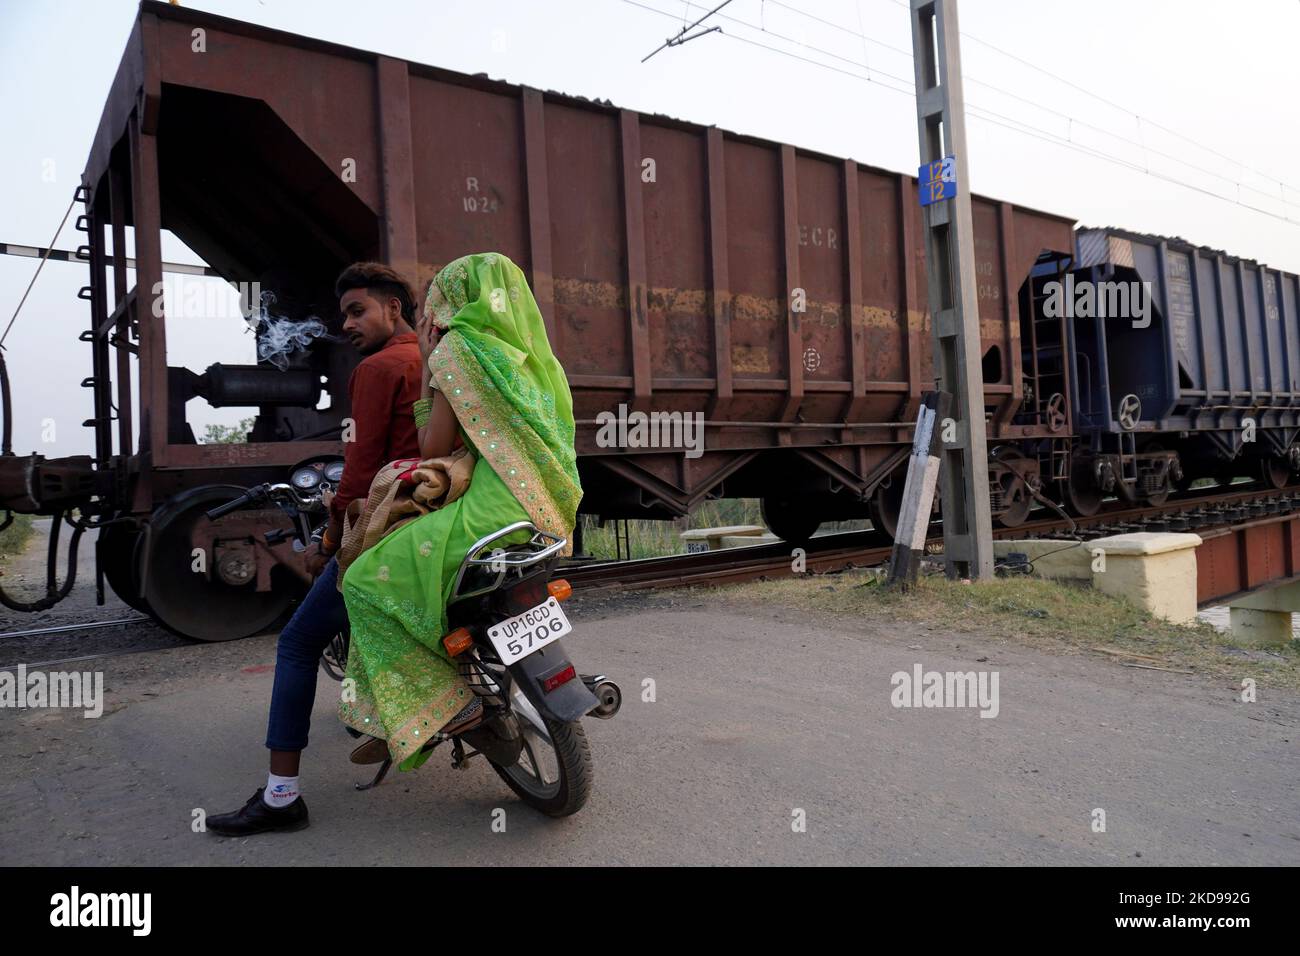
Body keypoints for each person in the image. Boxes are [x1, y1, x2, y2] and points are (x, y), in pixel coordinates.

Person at [338, 252, 582, 770]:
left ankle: (441, 705)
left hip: (489, 515)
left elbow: (433, 449)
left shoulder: (457, 356)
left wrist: (430, 374)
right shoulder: (535, 357)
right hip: (549, 512)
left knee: (361, 581)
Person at [207, 262, 423, 837]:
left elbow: (358, 477)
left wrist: (329, 543)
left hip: (388, 528)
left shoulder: (378, 369)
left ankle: (281, 797)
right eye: (343, 314)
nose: (347, 324)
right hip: (441, 517)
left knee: (299, 642)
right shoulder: (437, 361)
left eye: (358, 311)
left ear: (393, 309)